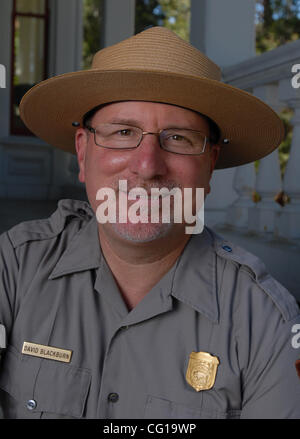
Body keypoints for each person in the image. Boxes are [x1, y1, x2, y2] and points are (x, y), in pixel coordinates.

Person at [0, 26, 299, 419]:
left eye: (178, 138)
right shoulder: (14, 267)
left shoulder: (266, 324)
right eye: (123, 132)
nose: (147, 166)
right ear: (83, 150)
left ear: (209, 165)